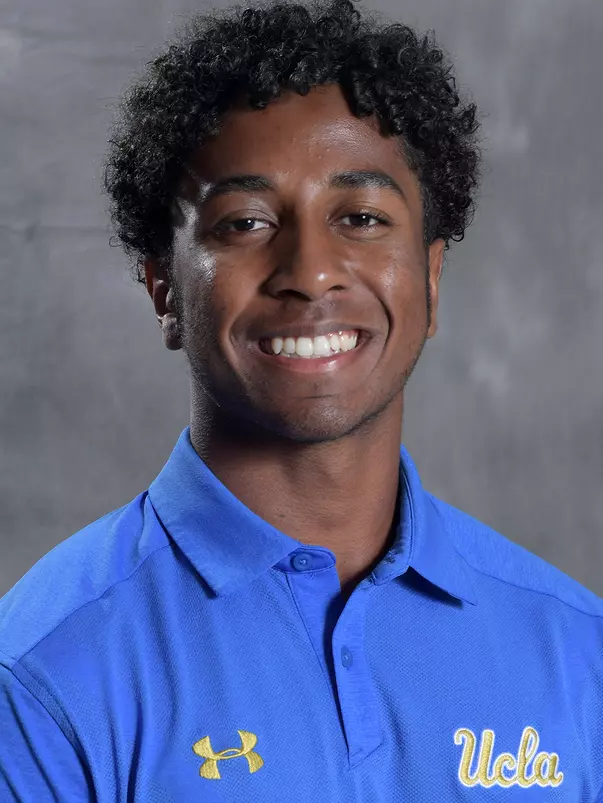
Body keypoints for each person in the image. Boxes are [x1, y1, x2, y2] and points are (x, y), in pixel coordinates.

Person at [1, 0, 602, 799]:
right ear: (163, 289)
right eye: (244, 222)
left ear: (430, 275)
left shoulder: (576, 648)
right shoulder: (40, 677)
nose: (310, 269)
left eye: (359, 217)